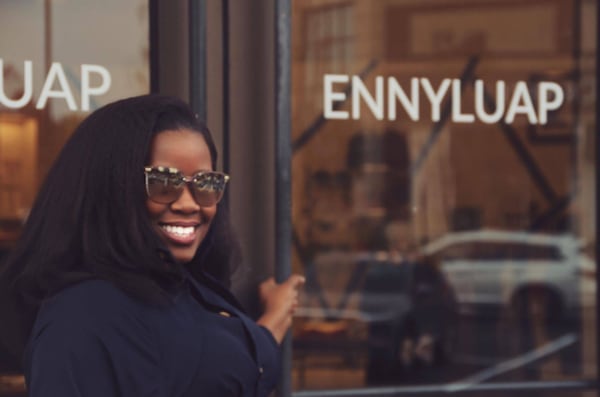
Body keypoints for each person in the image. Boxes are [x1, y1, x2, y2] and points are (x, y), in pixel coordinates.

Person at [0, 94, 305, 396]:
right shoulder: (80, 319)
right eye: (163, 182)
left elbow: (240, 363)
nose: (189, 204)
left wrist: (276, 314)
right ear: (110, 187)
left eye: (205, 183)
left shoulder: (183, 287)